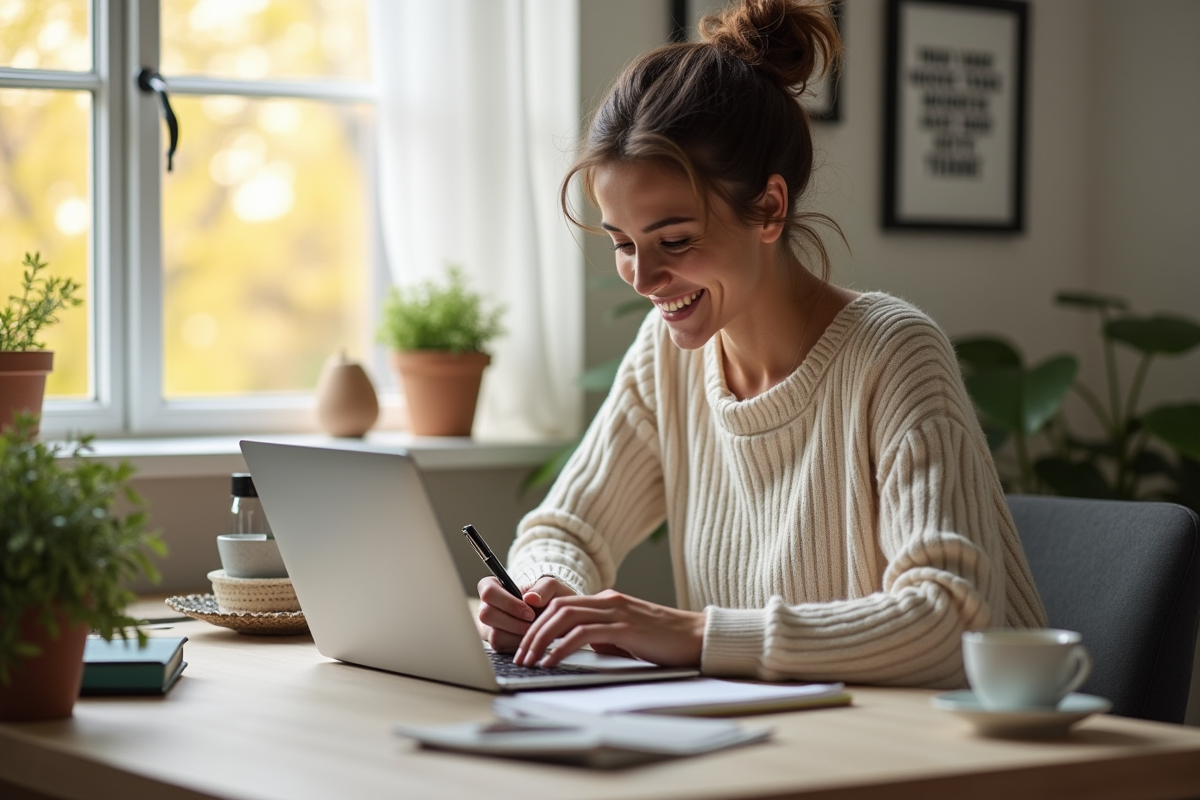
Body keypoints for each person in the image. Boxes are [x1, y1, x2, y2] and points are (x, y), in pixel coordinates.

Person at [475, 0, 1047, 689]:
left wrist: (695, 635)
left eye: (674, 240)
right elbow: (564, 529)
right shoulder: (668, 355)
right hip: (775, 735)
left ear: (770, 208)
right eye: (623, 243)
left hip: (947, 743)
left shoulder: (893, 354)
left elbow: (951, 623)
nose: (644, 278)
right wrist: (547, 590)